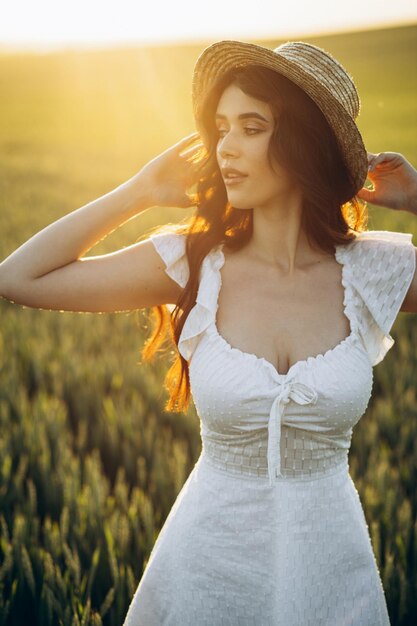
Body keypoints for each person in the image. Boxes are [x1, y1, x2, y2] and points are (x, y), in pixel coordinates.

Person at [1, 39, 417, 626]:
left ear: (305, 142)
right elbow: (18, 278)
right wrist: (138, 192)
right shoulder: (193, 262)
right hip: (205, 574)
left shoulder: (372, 269)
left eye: (252, 126)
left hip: (329, 575)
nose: (225, 147)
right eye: (220, 128)